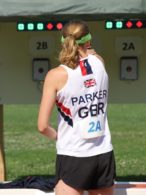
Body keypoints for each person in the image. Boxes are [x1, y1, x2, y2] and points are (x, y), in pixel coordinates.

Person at [37, 20, 116, 195]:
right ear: (88, 41)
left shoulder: (56, 75)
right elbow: (89, 58)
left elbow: (42, 126)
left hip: (73, 154)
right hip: (103, 152)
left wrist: (58, 136)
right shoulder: (99, 62)